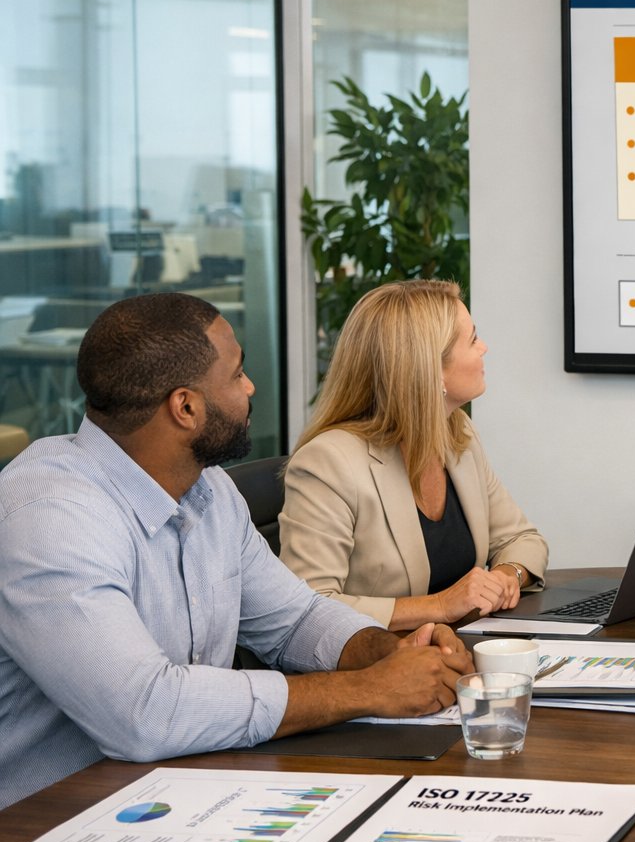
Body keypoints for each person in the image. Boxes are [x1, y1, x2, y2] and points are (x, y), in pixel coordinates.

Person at [0, 293, 471, 811]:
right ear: (186, 407)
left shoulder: (210, 490)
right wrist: (365, 690)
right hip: (45, 828)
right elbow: (144, 713)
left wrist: (390, 655)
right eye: (237, 375)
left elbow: (296, 620)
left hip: (183, 797)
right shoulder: (51, 518)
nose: (250, 388)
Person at [280, 280, 548, 629]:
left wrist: (505, 575)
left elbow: (522, 539)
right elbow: (309, 609)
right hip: (375, 668)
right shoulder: (328, 463)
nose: (484, 348)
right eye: (472, 340)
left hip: (452, 653)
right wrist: (439, 606)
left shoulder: (458, 433)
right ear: (431, 368)